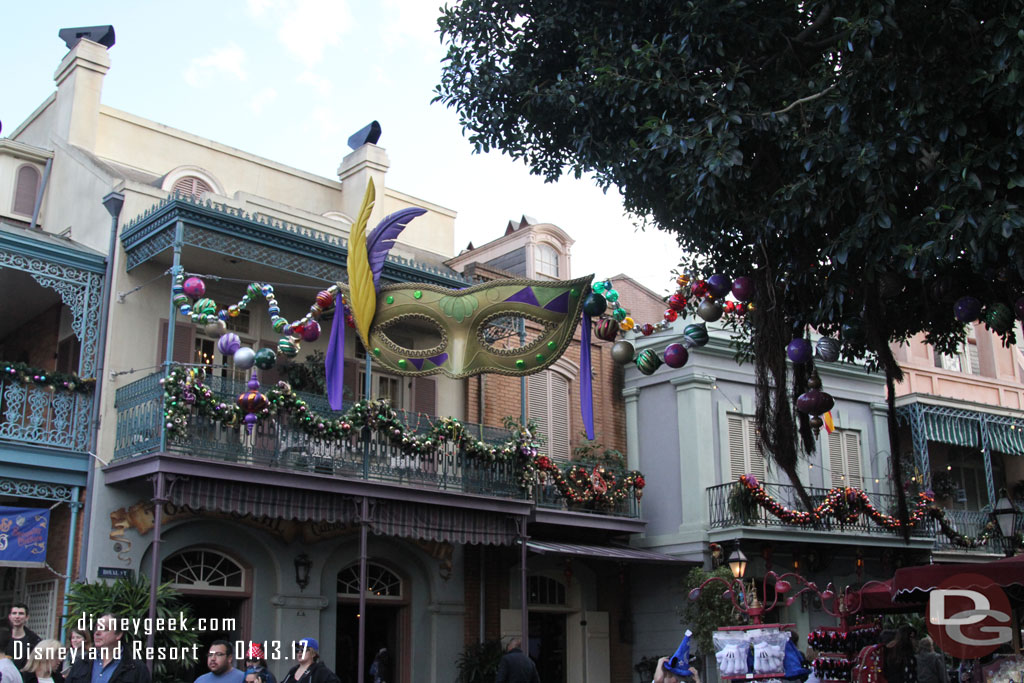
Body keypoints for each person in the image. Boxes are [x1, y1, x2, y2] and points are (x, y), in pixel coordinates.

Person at [64, 612, 150, 683]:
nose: (97, 632)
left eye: (103, 628)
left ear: (118, 634)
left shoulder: (136, 669)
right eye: (96, 628)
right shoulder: (81, 663)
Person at [6, 605, 40, 671]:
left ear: (27, 617)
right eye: (14, 613)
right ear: (10, 617)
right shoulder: (3, 637)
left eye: (21, 613)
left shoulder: (34, 640)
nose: (17, 616)